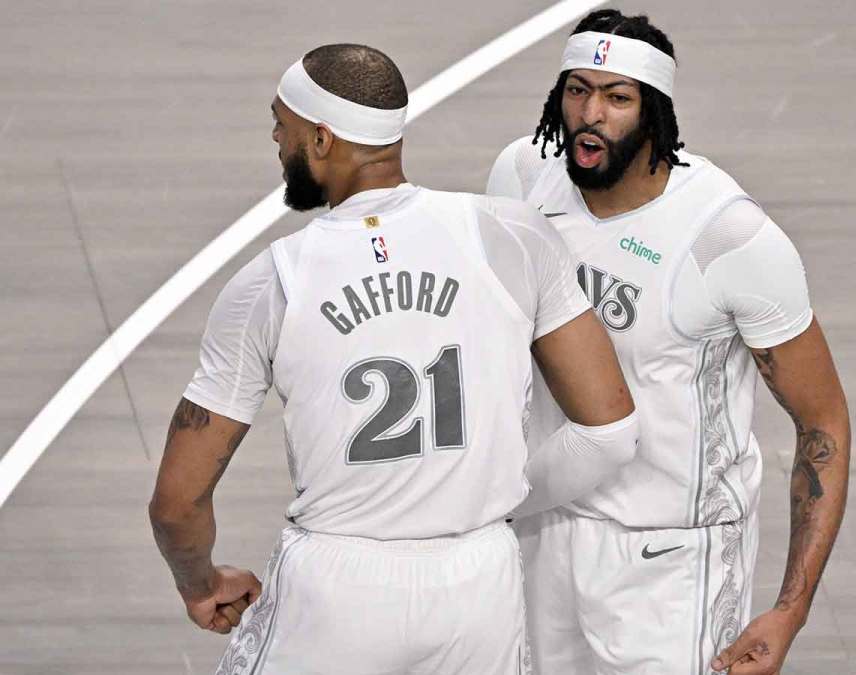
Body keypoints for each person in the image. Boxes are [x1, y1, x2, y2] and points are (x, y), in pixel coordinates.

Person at [149, 43, 639, 675]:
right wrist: (489, 503)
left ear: (321, 138)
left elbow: (177, 502)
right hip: (479, 587)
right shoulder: (514, 236)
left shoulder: (273, 282)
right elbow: (609, 431)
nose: (275, 138)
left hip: (338, 589)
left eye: (281, 123)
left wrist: (200, 583)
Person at [486, 10, 850, 675]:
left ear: (654, 111)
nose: (590, 114)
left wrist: (790, 608)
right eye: (576, 90)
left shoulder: (727, 238)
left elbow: (822, 423)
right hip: (543, 533)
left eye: (617, 97)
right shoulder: (523, 178)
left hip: (671, 565)